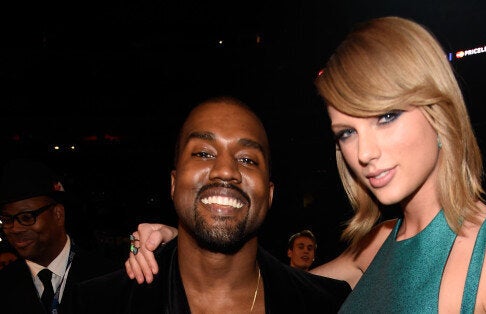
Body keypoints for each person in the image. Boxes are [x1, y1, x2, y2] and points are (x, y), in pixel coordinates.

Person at [124, 16, 486, 312]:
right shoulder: (376, 244)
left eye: (386, 117)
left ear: (438, 110)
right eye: (346, 133)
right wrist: (184, 237)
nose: (363, 152)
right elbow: (264, 284)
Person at [69, 96, 351, 313]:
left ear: (270, 193)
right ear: (173, 183)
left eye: (247, 159)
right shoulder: (97, 303)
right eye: (203, 153)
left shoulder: (328, 305)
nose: (225, 171)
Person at [0, 158, 117, 314]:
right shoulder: (4, 284)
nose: (14, 229)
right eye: (7, 220)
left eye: (27, 217)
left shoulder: (110, 278)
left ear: (58, 214)